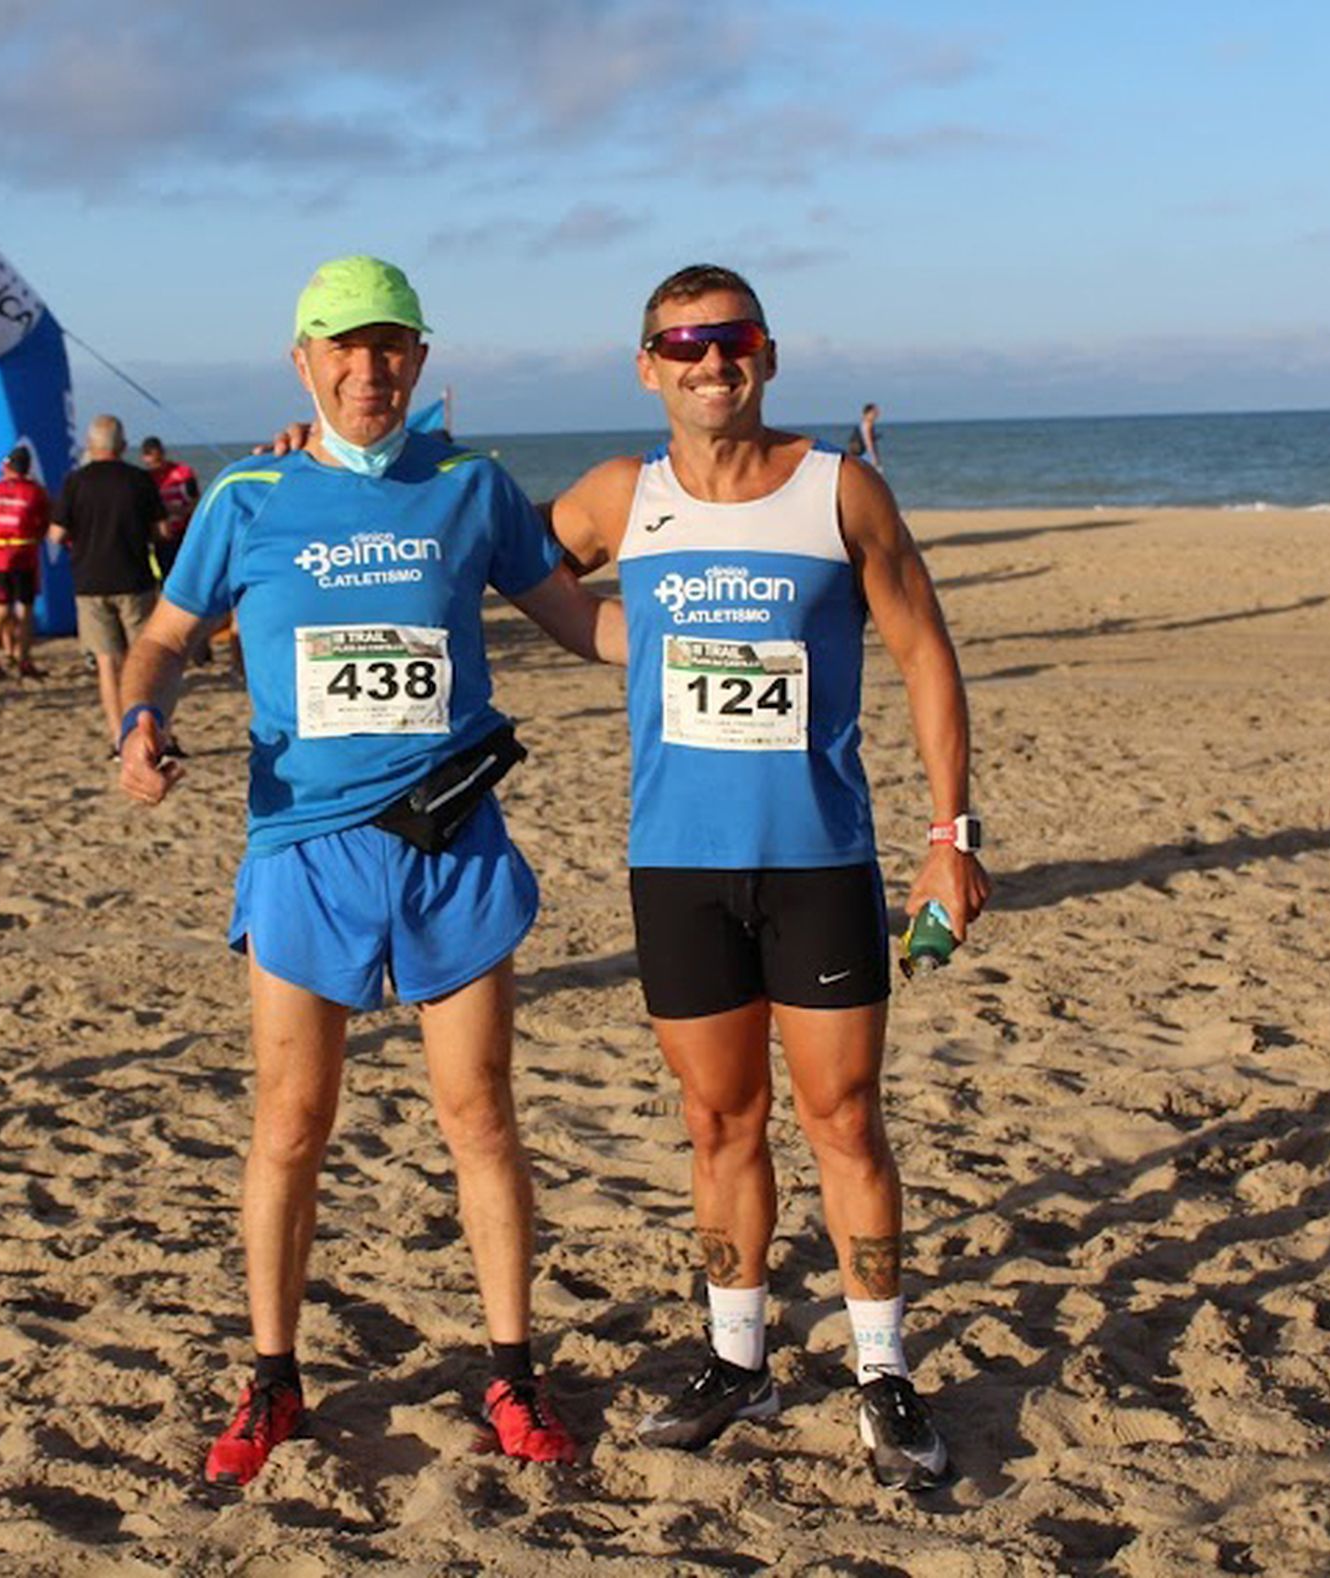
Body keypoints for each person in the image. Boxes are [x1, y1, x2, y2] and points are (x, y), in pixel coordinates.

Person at [116, 255, 624, 1487]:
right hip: (303, 851)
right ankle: (273, 1378)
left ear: (420, 361)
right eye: (344, 346)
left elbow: (579, 622)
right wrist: (138, 718)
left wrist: (719, 629)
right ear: (302, 362)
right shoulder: (246, 495)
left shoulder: (471, 487)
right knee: (291, 1124)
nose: (368, 367)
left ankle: (512, 1371)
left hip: (452, 845)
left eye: (391, 345)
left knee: (481, 1118)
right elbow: (169, 637)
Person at [545, 264, 989, 1489]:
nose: (707, 363)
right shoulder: (614, 498)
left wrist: (951, 834)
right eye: (680, 344)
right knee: (714, 1122)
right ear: (647, 367)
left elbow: (924, 653)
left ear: (766, 353)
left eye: (728, 339)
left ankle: (883, 1373)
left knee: (845, 1121)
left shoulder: (837, 489)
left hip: (819, 862)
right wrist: (613, 637)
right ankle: (737, 1364)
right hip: (675, 866)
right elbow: (493, 565)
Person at [49, 414, 171, 755]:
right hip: (134, 578)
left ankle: (119, 735)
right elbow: (162, 531)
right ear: (122, 445)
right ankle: (156, 732)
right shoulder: (139, 480)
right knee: (146, 659)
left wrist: (83, 536)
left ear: (91, 445)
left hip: (90, 581)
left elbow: (56, 535)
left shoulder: (76, 482)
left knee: (107, 662)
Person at [0, 445, 50, 679]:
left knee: (0, 609)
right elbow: (45, 522)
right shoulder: (35, 491)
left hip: (0, 555)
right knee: (25, 610)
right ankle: (23, 660)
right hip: (24, 554)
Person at [139, 435, 200, 581]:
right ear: (144, 459)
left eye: (158, 460)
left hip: (183, 531)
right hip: (160, 536)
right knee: (165, 575)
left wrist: (179, 511)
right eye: (152, 462)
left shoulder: (182, 473)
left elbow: (196, 501)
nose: (156, 466)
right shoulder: (145, 478)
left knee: (187, 574)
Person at [847, 402, 883, 472]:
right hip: (864, 454)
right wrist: (874, 458)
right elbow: (868, 442)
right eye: (874, 412)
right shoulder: (867, 424)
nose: (877, 414)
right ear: (868, 413)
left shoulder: (863, 423)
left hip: (858, 454)